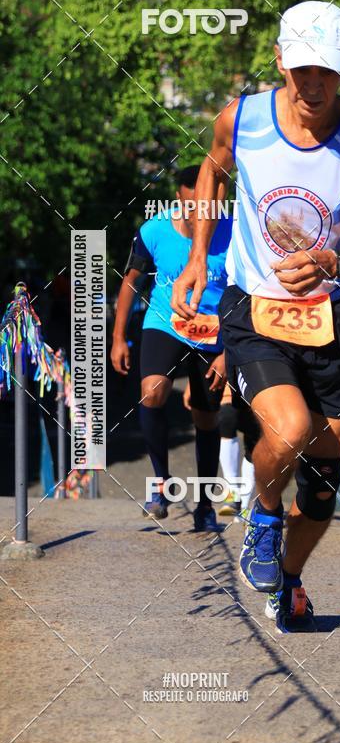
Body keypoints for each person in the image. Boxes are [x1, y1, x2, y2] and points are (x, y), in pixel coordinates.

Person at [172, 1, 340, 631]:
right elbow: (212, 170)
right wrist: (200, 256)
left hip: (330, 317)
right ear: (280, 59)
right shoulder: (244, 118)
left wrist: (336, 262)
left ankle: (289, 577)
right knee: (289, 428)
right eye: (302, 68)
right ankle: (262, 514)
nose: (313, 84)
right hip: (254, 305)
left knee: (326, 476)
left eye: (328, 72)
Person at [111, 165, 232, 532]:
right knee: (152, 392)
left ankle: (206, 504)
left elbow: (249, 294)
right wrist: (118, 337)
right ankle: (161, 486)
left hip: (214, 330)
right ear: (180, 196)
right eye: (194, 202)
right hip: (166, 322)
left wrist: (230, 352)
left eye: (207, 204)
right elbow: (131, 283)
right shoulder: (154, 230)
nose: (200, 211)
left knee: (206, 417)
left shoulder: (234, 233)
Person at [183, 379, 260, 516]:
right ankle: (232, 492)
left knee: (255, 436)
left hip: (260, 381)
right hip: (228, 378)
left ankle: (246, 502)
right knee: (226, 418)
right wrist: (192, 383)